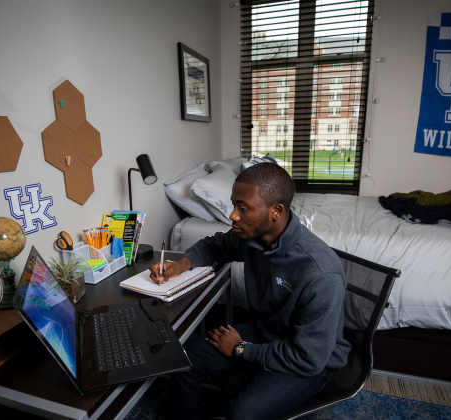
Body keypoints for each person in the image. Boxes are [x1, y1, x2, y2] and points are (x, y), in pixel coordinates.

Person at [149, 162, 351, 420]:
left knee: (240, 415)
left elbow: (309, 358)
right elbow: (215, 246)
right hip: (265, 332)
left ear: (276, 211)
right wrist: (180, 264)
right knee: (184, 358)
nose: (233, 215)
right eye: (233, 205)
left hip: (308, 360)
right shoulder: (255, 236)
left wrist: (241, 350)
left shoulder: (320, 273)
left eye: (243, 208)